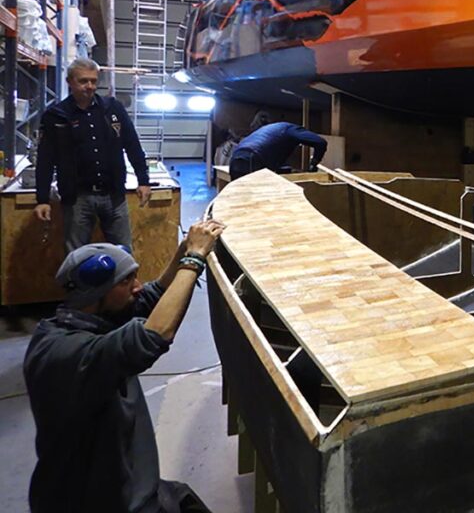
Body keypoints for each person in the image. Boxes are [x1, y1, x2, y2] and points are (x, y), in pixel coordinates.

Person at [23, 219, 226, 513]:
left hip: (128, 482)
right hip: (94, 500)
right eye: (126, 282)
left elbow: (152, 296)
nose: (137, 288)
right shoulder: (66, 353)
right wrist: (193, 261)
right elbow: (153, 336)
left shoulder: (90, 317)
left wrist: (184, 248)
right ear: (97, 294)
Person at [34, 58, 152, 254]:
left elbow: (132, 145)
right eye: (83, 81)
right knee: (76, 257)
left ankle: (125, 285)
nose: (89, 86)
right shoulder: (56, 116)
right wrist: (42, 199)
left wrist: (144, 180)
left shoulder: (112, 109)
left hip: (114, 197)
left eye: (93, 81)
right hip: (77, 200)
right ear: (69, 82)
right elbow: (45, 160)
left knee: (123, 254)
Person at [228, 120, 328, 180]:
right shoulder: (291, 130)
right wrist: (313, 164)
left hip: (236, 157)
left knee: (237, 196)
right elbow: (320, 142)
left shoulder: (274, 131)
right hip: (253, 158)